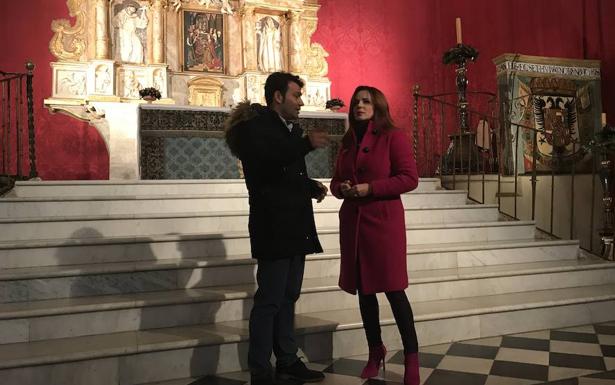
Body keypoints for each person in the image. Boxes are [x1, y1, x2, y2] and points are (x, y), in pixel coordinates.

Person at [224, 72, 329, 385]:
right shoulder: (254, 128)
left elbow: (283, 173)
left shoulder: (290, 129)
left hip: (296, 224)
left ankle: (286, 359)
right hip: (273, 224)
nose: (301, 102)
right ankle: (259, 368)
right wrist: (305, 145)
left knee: (289, 296)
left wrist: (309, 186)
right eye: (296, 95)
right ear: (278, 96)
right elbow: (266, 164)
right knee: (269, 299)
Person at [330, 86, 420, 385]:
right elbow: (335, 180)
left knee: (394, 291)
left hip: (383, 224)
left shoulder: (394, 136)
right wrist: (341, 188)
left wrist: (371, 188)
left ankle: (411, 358)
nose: (359, 105)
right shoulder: (347, 141)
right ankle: (375, 351)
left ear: (378, 106)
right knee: (365, 292)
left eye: (366, 101)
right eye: (356, 101)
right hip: (354, 225)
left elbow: (409, 178)